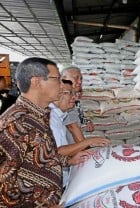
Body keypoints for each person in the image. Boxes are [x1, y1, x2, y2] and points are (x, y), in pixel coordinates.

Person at [0, 57, 89, 207]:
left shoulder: (40, 115)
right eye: (57, 79)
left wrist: (67, 161)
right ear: (36, 82)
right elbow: (3, 180)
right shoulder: (17, 123)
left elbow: (42, 154)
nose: (62, 86)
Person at [50, 79, 110, 187]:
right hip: (54, 181)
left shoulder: (59, 116)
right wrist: (88, 142)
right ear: (56, 94)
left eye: (74, 93)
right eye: (68, 93)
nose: (74, 97)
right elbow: (57, 152)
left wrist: (71, 160)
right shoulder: (51, 119)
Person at [61, 66, 97, 144]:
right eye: (76, 78)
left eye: (81, 79)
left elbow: (78, 116)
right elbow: (73, 127)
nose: (80, 82)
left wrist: (86, 121)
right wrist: (85, 149)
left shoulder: (73, 99)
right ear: (63, 78)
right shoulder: (64, 99)